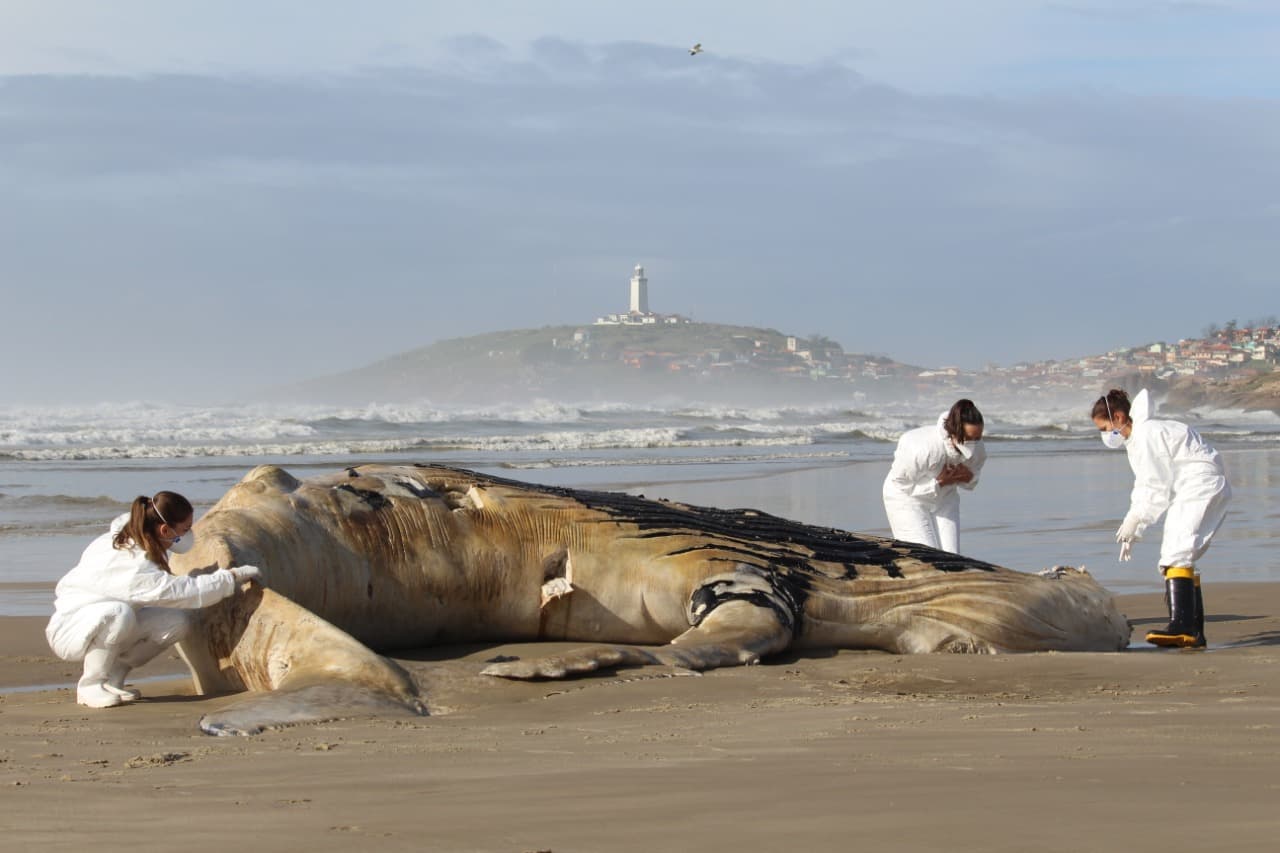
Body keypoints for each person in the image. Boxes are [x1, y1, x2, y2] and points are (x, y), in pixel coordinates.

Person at [45, 491, 262, 708]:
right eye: (185, 529)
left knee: (176, 623)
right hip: (72, 629)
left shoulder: (136, 539)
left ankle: (114, 674)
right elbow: (181, 592)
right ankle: (90, 685)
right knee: (118, 614)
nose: (188, 534)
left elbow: (170, 589)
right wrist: (230, 578)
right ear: (164, 529)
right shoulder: (132, 563)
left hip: (105, 621)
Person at [1091, 388, 1231, 648]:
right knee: (1180, 551)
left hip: (1199, 485)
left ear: (1119, 417)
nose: (1104, 435)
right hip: (1199, 484)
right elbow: (1148, 484)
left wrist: (1136, 521)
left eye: (1104, 428)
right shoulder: (1142, 436)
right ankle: (1194, 631)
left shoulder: (1146, 435)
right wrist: (1135, 520)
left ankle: (1183, 627)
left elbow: (1154, 487)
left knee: (1176, 551)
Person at [882, 399, 986, 554]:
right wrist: (940, 482)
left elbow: (972, 481)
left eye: (976, 438)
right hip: (906, 497)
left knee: (952, 556)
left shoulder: (978, 449)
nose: (973, 445)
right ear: (954, 431)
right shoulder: (921, 449)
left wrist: (966, 477)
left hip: (945, 499)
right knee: (926, 554)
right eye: (968, 439)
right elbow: (900, 484)